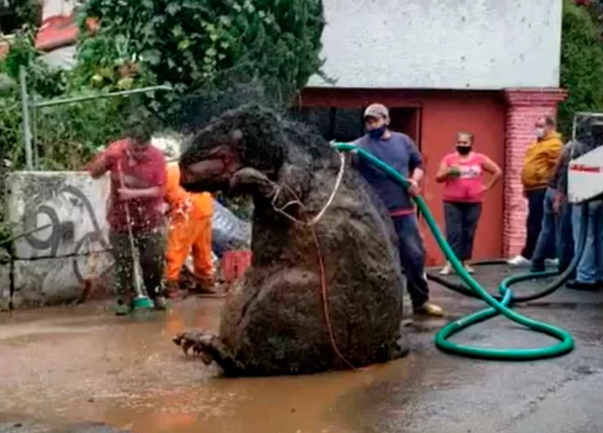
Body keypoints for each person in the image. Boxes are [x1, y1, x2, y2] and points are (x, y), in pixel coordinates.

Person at [352, 103, 443, 317]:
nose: (371, 124)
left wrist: (414, 180)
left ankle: (420, 302)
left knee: (414, 256)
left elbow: (419, 164)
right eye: (368, 121)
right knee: (378, 260)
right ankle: (379, 309)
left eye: (375, 120)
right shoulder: (360, 146)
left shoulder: (403, 141)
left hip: (403, 211)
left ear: (386, 120)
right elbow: (343, 156)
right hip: (375, 214)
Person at [87, 117, 168, 315]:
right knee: (123, 260)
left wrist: (133, 194)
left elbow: (160, 190)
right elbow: (94, 173)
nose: (139, 154)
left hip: (150, 218)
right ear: (128, 141)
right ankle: (125, 298)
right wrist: (106, 159)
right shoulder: (116, 152)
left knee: (152, 260)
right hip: (120, 217)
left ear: (149, 143)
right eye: (135, 149)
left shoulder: (157, 157)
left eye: (143, 149)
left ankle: (155, 293)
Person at [435, 132, 502, 275]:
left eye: (464, 143)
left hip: (473, 201)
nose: (461, 145)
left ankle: (465, 262)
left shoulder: (480, 159)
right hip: (452, 201)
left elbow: (497, 172)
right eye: (459, 142)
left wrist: (487, 187)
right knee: (453, 232)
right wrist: (448, 171)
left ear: (471, 144)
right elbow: (438, 178)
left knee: (468, 232)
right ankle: (450, 263)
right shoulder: (449, 159)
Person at [509, 116, 563, 266]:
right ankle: (542, 254)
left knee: (536, 222)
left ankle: (531, 254)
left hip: (543, 187)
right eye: (536, 126)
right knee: (536, 221)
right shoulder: (536, 144)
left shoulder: (554, 145)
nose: (537, 129)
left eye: (541, 126)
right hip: (533, 188)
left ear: (550, 127)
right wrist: (527, 186)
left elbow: (558, 167)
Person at [163, 150, 215, 299]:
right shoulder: (190, 166)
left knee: (177, 247)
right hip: (205, 205)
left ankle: (170, 283)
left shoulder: (168, 171)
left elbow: (161, 194)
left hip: (187, 209)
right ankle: (205, 281)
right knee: (203, 248)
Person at [530, 141, 573, 273]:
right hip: (560, 194)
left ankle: (537, 262)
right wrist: (559, 197)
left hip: (551, 190)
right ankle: (564, 267)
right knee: (562, 232)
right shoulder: (576, 148)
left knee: (547, 230)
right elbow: (565, 174)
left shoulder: (568, 146)